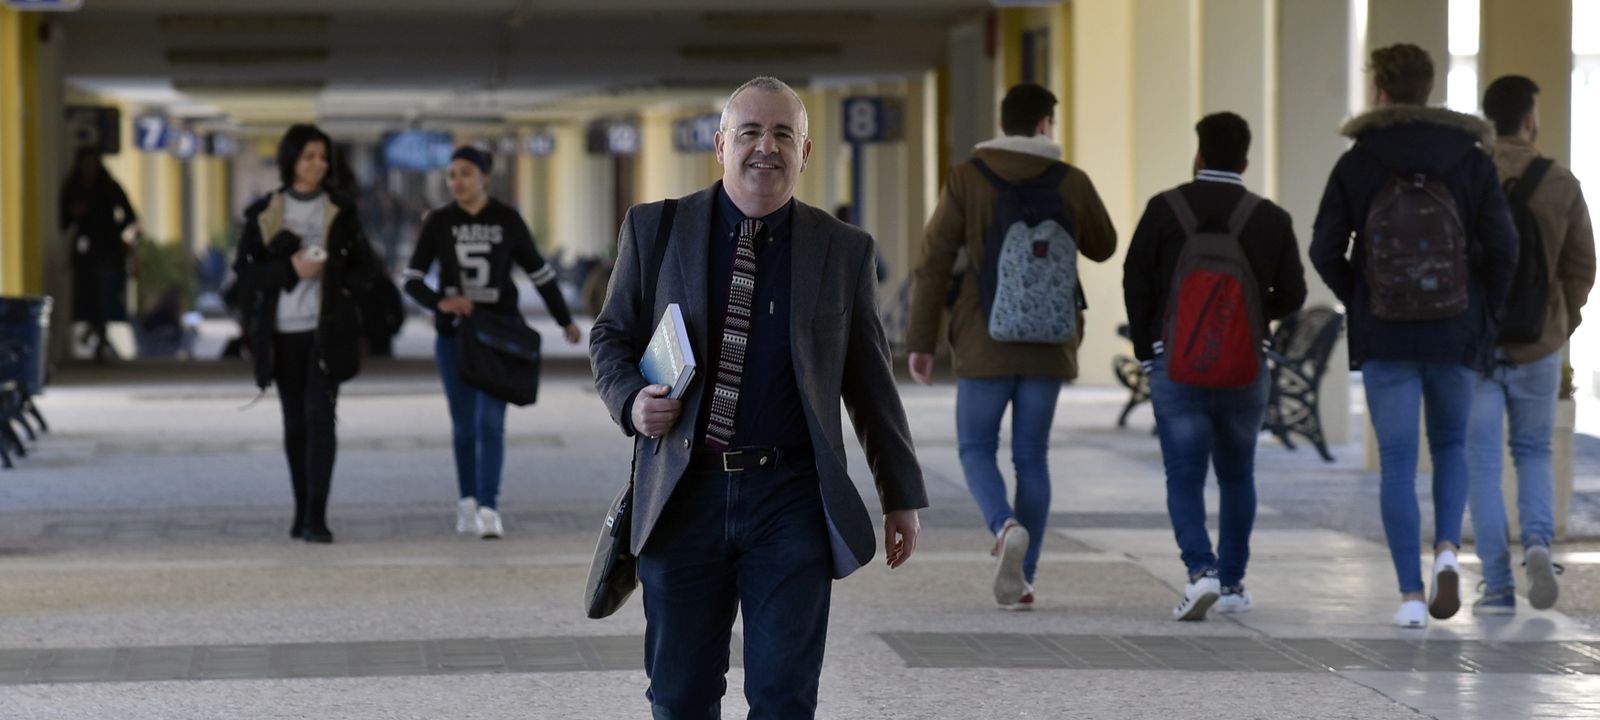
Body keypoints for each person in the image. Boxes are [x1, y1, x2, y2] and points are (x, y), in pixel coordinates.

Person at [589, 76, 926, 718]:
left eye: (782, 134)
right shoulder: (655, 229)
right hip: (683, 493)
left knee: (784, 697)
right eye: (749, 132)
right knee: (681, 695)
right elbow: (610, 337)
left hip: (790, 499)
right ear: (720, 145)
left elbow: (870, 379)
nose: (764, 147)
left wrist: (900, 493)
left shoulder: (843, 250)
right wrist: (632, 400)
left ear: (805, 152)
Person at [1310, 44, 1517, 628]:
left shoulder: (1357, 161)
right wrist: (1485, 313)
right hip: (1457, 329)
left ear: (1379, 88)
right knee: (1450, 447)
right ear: (1430, 87)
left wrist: (1362, 295)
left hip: (1387, 333)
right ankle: (1447, 553)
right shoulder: (1472, 159)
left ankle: (1407, 597)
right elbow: (1504, 247)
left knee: (1398, 460)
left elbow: (1324, 248)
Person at [905, 82, 1116, 610]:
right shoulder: (1071, 180)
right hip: (1049, 341)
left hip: (984, 338)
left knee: (976, 448)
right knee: (1032, 457)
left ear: (1003, 123)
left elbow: (933, 262)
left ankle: (1004, 526)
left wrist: (922, 340)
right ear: (1046, 123)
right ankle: (1023, 578)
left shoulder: (968, 178)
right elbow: (1104, 244)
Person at [1123, 112, 1307, 620]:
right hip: (1245, 368)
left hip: (1175, 366)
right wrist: (1245, 320)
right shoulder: (1269, 217)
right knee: (1236, 474)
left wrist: (1150, 347)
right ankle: (1232, 583)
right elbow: (1294, 293)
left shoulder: (1164, 210)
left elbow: (1134, 278)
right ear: (1246, 159)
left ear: (1198, 155)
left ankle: (1199, 571)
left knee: (1183, 474)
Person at [403, 146, 582, 539]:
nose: (457, 182)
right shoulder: (439, 222)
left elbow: (540, 274)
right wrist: (440, 302)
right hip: (454, 336)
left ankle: (489, 506)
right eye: (451, 175)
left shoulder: (506, 220)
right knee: (464, 425)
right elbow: (412, 278)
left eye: (465, 173)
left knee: (490, 422)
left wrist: (565, 320)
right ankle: (466, 501)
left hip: (499, 336)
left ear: (484, 176)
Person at [1467, 75, 1597, 615]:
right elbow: (1582, 265)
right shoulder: (1559, 180)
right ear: (1529, 118)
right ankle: (1539, 544)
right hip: (1538, 343)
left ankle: (1496, 586)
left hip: (1474, 343)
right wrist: (1560, 323)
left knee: (1479, 460)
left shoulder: (1469, 175)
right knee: (1533, 451)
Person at [233, 123, 378, 544]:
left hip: (326, 332)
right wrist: (289, 270)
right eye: (309, 156)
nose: (319, 164)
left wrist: (338, 278)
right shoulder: (265, 212)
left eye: (323, 156)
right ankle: (300, 510)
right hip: (280, 334)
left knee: (321, 419)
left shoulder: (341, 210)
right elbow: (245, 277)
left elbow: (368, 269)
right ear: (291, 161)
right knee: (295, 422)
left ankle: (317, 515)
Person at [59, 146, 138, 363]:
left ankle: (100, 336)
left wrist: (114, 231)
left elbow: (130, 215)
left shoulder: (109, 187)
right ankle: (94, 332)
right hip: (85, 251)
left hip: (108, 250)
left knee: (104, 295)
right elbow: (63, 220)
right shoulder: (74, 188)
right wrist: (76, 214)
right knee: (87, 296)